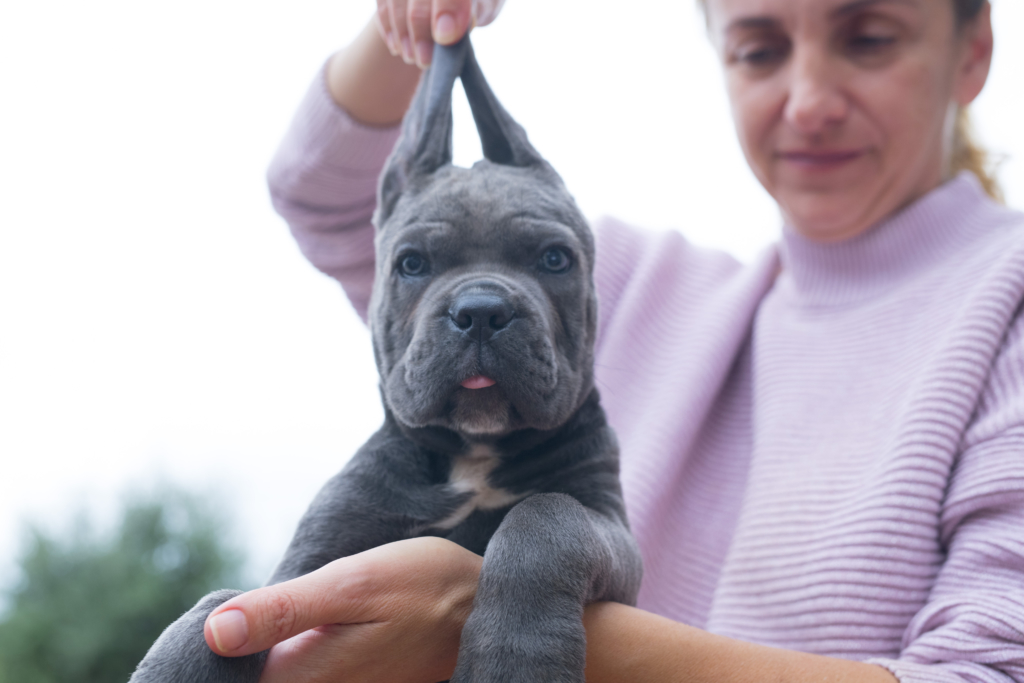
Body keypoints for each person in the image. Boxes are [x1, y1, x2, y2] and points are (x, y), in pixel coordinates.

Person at [200, 1, 1024, 681]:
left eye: (869, 38)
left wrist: (489, 619)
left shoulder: (1004, 303)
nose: (808, 99)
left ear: (973, 48)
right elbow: (322, 191)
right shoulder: (607, 286)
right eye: (759, 49)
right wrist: (418, 24)